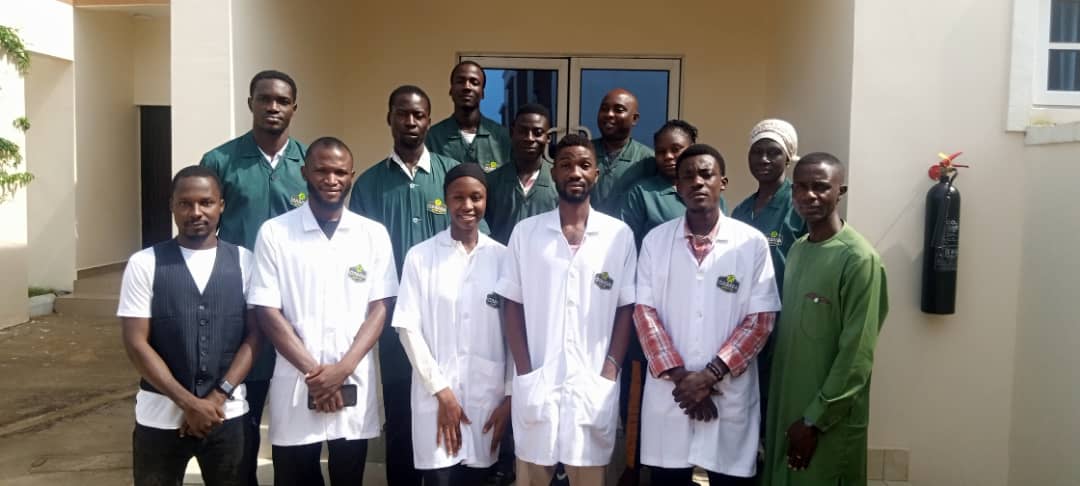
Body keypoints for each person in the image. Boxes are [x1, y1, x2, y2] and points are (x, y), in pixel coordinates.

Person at [250, 138, 397, 485]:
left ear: (351, 176)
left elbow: (381, 307)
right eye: (322, 171)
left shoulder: (372, 234)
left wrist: (342, 370)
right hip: (298, 379)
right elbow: (267, 310)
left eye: (340, 172)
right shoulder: (275, 233)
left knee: (349, 475)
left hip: (352, 379)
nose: (331, 179)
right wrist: (316, 375)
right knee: (295, 475)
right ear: (304, 173)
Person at [632, 144, 779, 485]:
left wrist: (709, 376)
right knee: (669, 479)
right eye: (688, 176)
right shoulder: (655, 241)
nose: (697, 182)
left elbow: (761, 319)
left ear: (722, 182)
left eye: (706, 174)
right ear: (677, 187)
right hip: (672, 395)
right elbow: (644, 313)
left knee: (730, 477)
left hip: (727, 393)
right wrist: (683, 379)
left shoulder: (751, 242)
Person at [497, 134, 637, 486]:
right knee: (531, 475)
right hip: (537, 380)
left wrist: (610, 369)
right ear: (554, 173)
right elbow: (511, 304)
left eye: (584, 165)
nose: (575, 172)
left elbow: (626, 308)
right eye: (566, 165)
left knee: (589, 475)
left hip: (594, 384)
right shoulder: (526, 233)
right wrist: (525, 371)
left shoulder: (618, 236)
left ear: (596, 174)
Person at [118, 165, 261, 486]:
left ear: (221, 205)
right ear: (172, 205)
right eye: (185, 203)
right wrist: (189, 403)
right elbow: (136, 344)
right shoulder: (145, 263)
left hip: (227, 415)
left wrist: (216, 398)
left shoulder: (244, 262)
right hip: (159, 417)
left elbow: (255, 336)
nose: (196, 212)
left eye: (206, 202)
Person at [349, 85, 462, 486]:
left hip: (448, 319)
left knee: (449, 405)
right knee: (400, 414)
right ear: (390, 118)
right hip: (394, 322)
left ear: (429, 120)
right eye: (402, 113)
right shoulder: (369, 184)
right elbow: (356, 256)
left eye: (418, 115)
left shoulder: (452, 175)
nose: (410, 122)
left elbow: (473, 240)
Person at [200, 69, 306, 482]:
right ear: (251, 104)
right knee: (241, 424)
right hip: (239, 311)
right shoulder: (220, 161)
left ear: (294, 108)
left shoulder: (309, 163)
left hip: (295, 311)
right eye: (265, 99)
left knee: (294, 428)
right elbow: (202, 232)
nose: (273, 107)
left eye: (282, 101)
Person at [761, 153, 889, 486]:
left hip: (826, 421)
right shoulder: (799, 250)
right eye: (801, 187)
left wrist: (814, 420)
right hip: (786, 407)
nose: (809, 196)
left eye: (820, 187)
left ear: (840, 192)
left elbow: (856, 356)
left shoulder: (859, 259)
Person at [392, 164, 511, 486]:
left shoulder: (503, 258)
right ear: (445, 200)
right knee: (441, 477)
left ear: (486, 200)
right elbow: (408, 330)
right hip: (435, 400)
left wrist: (510, 397)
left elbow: (514, 336)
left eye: (476, 197)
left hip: (486, 403)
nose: (467, 206)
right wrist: (441, 392)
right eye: (458, 197)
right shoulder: (420, 257)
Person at [730, 119, 807, 432]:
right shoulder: (741, 211)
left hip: (787, 319)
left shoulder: (798, 205)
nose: (763, 159)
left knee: (779, 396)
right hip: (747, 320)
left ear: (788, 157)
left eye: (773, 152)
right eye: (756, 152)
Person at [622, 120, 728, 249]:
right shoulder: (641, 193)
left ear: (691, 147)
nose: (668, 156)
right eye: (661, 152)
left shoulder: (713, 195)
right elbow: (625, 243)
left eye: (676, 149)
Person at [485, 103, 559, 245]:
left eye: (537, 133)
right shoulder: (492, 181)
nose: (529, 138)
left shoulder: (558, 181)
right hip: (502, 257)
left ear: (548, 137)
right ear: (512, 133)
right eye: (523, 131)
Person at [426, 60, 511, 172]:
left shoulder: (502, 138)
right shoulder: (433, 137)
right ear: (451, 90)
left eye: (474, 82)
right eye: (460, 81)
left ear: (483, 93)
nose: (467, 87)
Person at [590, 88, 654, 216]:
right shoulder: (584, 152)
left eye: (618, 110)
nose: (609, 114)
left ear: (634, 119)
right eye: (604, 109)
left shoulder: (648, 160)